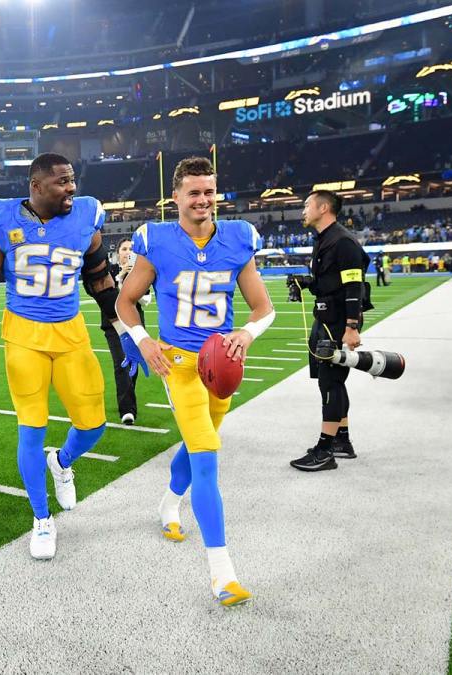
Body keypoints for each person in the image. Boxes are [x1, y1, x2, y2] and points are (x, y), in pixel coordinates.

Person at [0, 152, 116, 561]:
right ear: (36, 186)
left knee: (93, 425)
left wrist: (126, 330)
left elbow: (99, 276)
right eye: (62, 181)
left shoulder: (87, 214)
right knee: (31, 429)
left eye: (72, 179)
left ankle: (63, 462)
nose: (72, 188)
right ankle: (41, 518)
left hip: (71, 333)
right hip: (23, 335)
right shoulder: (1, 218)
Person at [116, 156, 275, 607]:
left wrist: (246, 333)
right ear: (176, 197)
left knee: (195, 443)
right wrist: (144, 340)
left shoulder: (238, 238)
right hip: (179, 365)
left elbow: (263, 308)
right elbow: (125, 303)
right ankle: (223, 574)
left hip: (221, 365)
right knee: (206, 455)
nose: (203, 200)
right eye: (194, 193)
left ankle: (168, 503)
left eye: (209, 192)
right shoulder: (157, 240)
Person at [287, 190, 371, 472]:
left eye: (307, 205)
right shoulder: (324, 239)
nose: (303, 210)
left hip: (338, 322)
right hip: (325, 318)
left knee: (331, 383)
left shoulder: (342, 241)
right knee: (332, 382)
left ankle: (324, 451)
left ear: (323, 208)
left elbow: (354, 286)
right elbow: (329, 281)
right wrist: (306, 282)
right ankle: (341, 441)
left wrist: (351, 327)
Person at [97, 238, 151, 425]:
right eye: (124, 249)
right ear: (117, 252)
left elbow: (146, 301)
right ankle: (127, 410)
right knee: (121, 363)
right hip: (113, 324)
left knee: (134, 364)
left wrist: (131, 279)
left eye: (131, 249)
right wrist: (120, 277)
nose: (127, 252)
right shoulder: (109, 271)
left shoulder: (139, 271)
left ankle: (127, 397)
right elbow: (107, 296)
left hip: (134, 324)